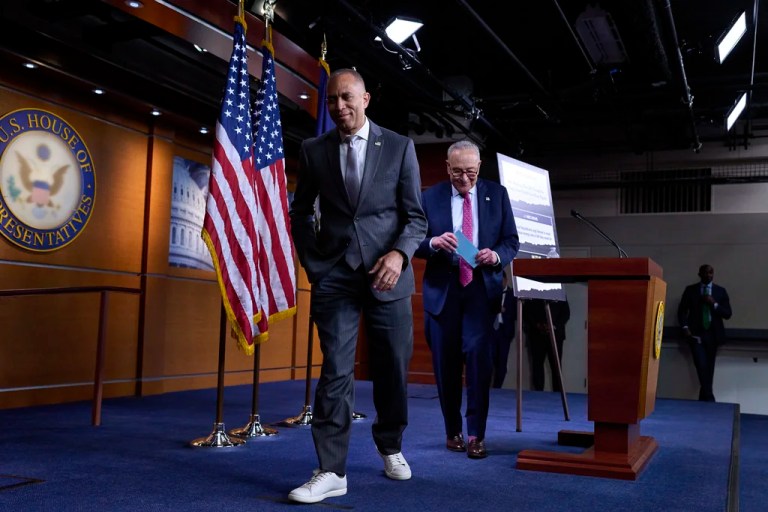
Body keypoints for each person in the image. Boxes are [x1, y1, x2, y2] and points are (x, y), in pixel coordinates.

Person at [288, 68, 427, 503]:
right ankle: (331, 470)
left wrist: (400, 254)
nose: (339, 108)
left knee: (390, 370)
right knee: (335, 371)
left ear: (366, 99)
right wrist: (315, 265)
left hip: (388, 277)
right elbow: (299, 212)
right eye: (332, 101)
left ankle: (391, 445)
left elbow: (416, 217)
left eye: (347, 98)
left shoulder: (400, 148)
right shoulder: (314, 151)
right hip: (335, 277)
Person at [414, 140, 519, 459]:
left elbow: (511, 240)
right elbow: (411, 238)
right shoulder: (429, 196)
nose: (464, 179)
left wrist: (496, 256)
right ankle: (453, 431)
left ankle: (476, 435)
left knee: (478, 364)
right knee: (445, 367)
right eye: (458, 172)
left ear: (479, 167)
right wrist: (432, 242)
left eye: (471, 172)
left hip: (480, 290)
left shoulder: (496, 195)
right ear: (447, 168)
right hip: (442, 292)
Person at [677, 264, 732, 402]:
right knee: (701, 365)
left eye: (711, 273)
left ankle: (705, 399)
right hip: (696, 335)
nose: (709, 275)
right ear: (699, 274)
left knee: (709, 368)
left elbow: (728, 314)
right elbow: (682, 311)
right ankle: (709, 398)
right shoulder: (691, 290)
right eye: (706, 273)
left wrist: (714, 304)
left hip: (713, 336)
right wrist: (685, 328)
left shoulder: (720, 291)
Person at [522, 298, 570, 392]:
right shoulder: (533, 290)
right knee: (537, 366)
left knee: (556, 366)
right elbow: (526, 311)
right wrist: (538, 325)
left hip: (556, 336)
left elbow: (566, 313)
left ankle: (558, 394)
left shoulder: (559, 292)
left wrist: (553, 326)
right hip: (537, 335)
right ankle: (538, 393)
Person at [490, 268, 517, 388]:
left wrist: (505, 311)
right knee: (489, 361)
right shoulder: (491, 292)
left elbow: (517, 314)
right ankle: (486, 387)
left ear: (506, 280)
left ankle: (497, 387)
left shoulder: (513, 295)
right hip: (491, 331)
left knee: (502, 362)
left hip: (505, 332)